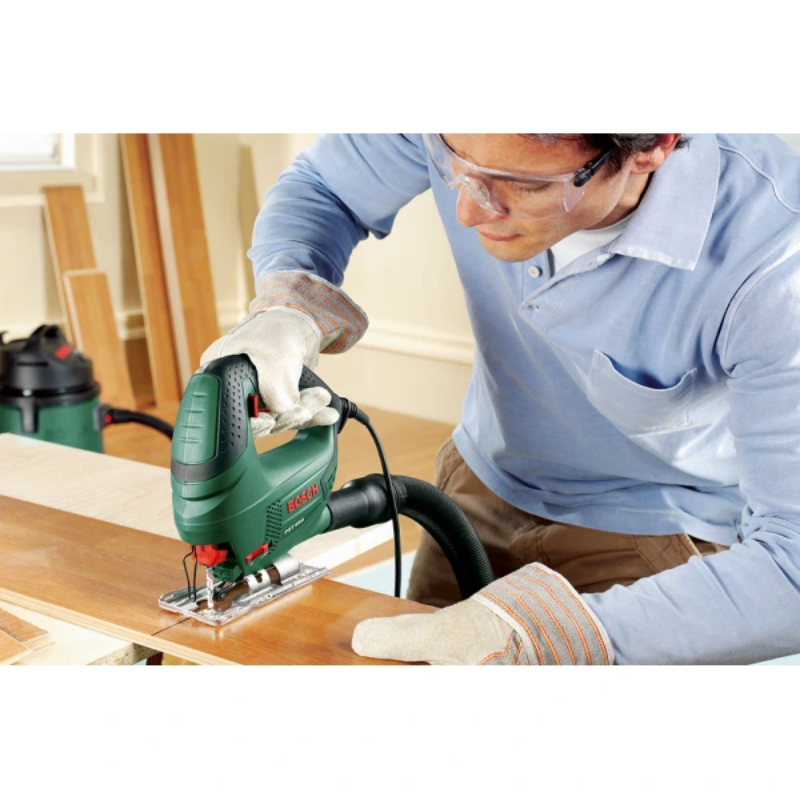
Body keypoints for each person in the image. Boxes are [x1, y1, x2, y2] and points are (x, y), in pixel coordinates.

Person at [201, 134, 800, 665]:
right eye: (452, 164)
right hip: (483, 481)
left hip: (655, 535)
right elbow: (327, 186)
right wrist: (291, 301)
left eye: (524, 185)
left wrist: (555, 634)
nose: (467, 211)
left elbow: (792, 570)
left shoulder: (776, 258)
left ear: (651, 147)